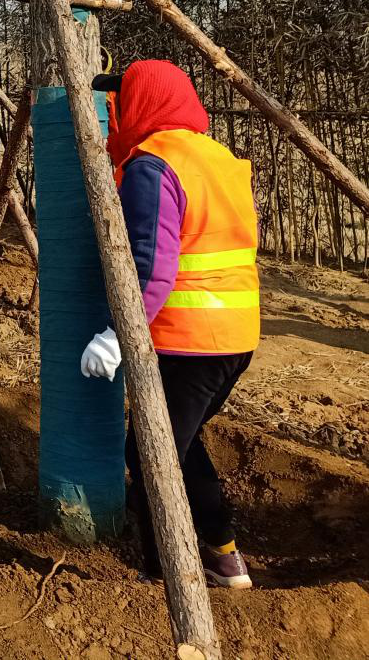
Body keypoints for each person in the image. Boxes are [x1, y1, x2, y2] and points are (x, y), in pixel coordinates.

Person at [81, 60, 259, 590]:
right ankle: (224, 556)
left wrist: (117, 334)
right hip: (236, 336)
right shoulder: (218, 157)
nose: (115, 112)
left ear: (143, 102)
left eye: (121, 100)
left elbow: (150, 265)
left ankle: (165, 571)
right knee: (182, 442)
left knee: (148, 453)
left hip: (188, 338)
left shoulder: (153, 166)